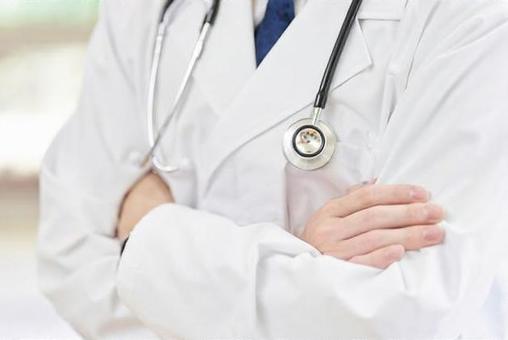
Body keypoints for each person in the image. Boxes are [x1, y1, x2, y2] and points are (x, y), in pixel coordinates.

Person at [37, 0, 508, 338]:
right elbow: (70, 261)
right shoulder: (145, 10)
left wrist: (150, 239)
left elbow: (406, 314)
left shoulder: (469, 14)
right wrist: (300, 259)